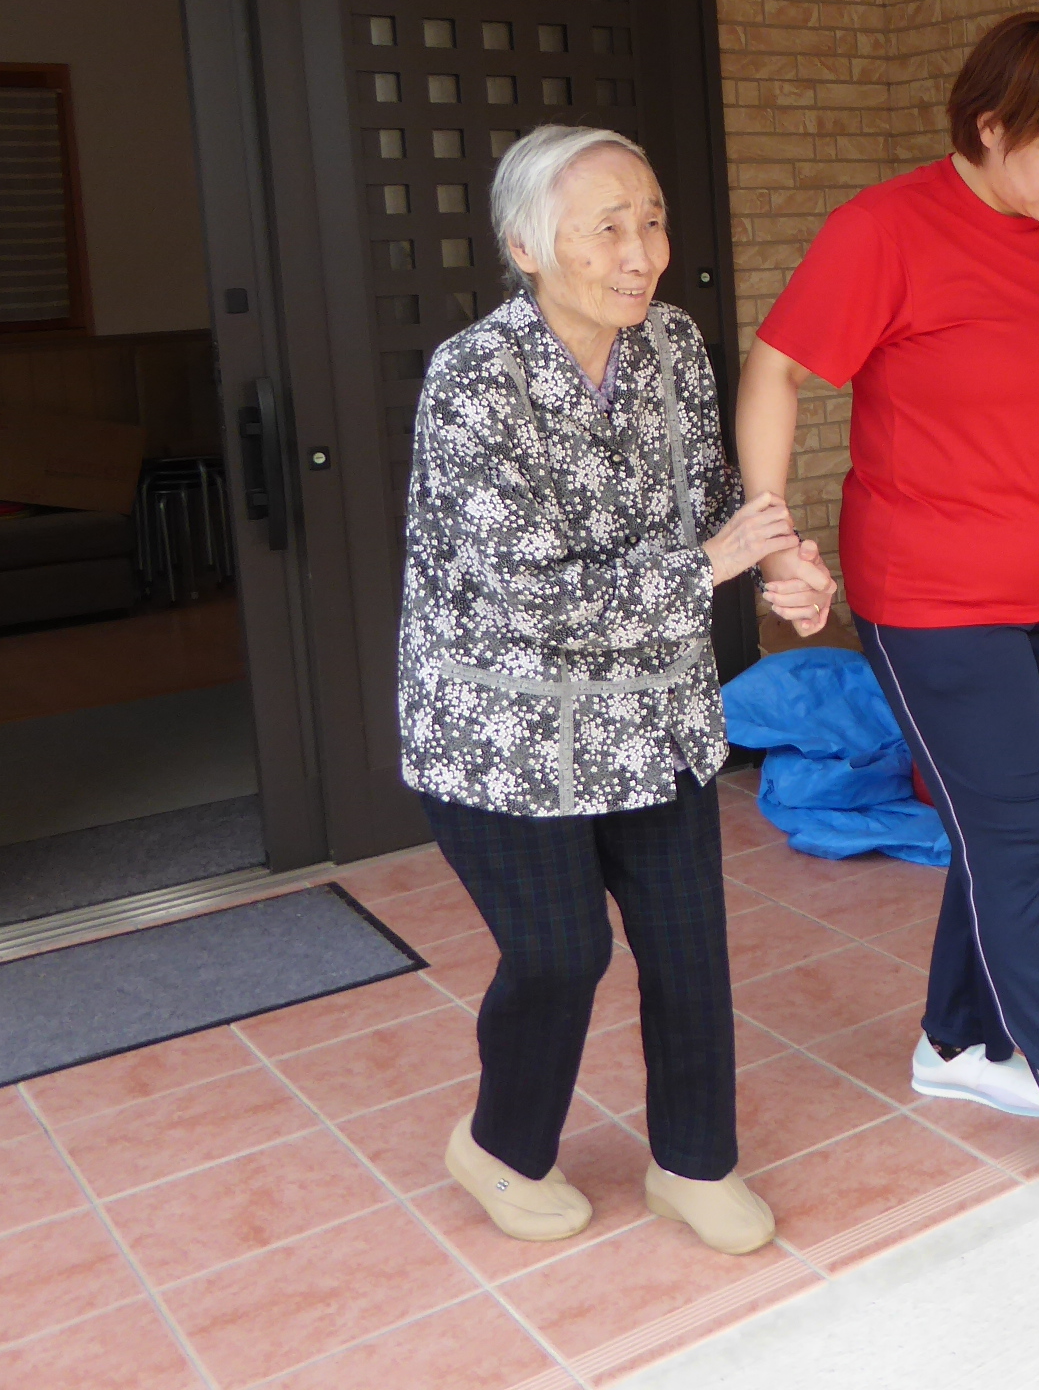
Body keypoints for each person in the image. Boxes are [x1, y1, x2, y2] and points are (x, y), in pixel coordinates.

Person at [735, 12, 1039, 1218]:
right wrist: (774, 533)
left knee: (1021, 819)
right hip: (934, 596)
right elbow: (777, 367)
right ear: (990, 126)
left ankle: (953, 1041)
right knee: (1019, 836)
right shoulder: (884, 230)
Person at [400, 124, 834, 1254]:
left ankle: (695, 1163)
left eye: (651, 221)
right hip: (504, 727)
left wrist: (782, 564)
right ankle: (501, 1146)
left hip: (654, 713)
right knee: (561, 951)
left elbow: (714, 497)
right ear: (526, 249)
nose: (641, 253)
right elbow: (527, 594)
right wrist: (715, 565)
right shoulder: (473, 378)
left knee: (688, 943)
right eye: (607, 229)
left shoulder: (673, 344)